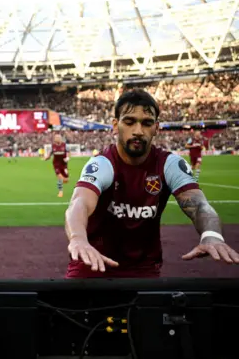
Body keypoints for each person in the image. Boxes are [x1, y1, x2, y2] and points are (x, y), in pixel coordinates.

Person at [64, 90, 239, 278]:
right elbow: (79, 203)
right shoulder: (102, 163)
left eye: (146, 123)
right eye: (129, 122)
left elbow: (199, 205)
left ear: (156, 127)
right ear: (115, 125)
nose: (138, 131)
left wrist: (212, 235)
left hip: (143, 271)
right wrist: (78, 239)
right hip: (92, 266)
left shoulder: (170, 164)